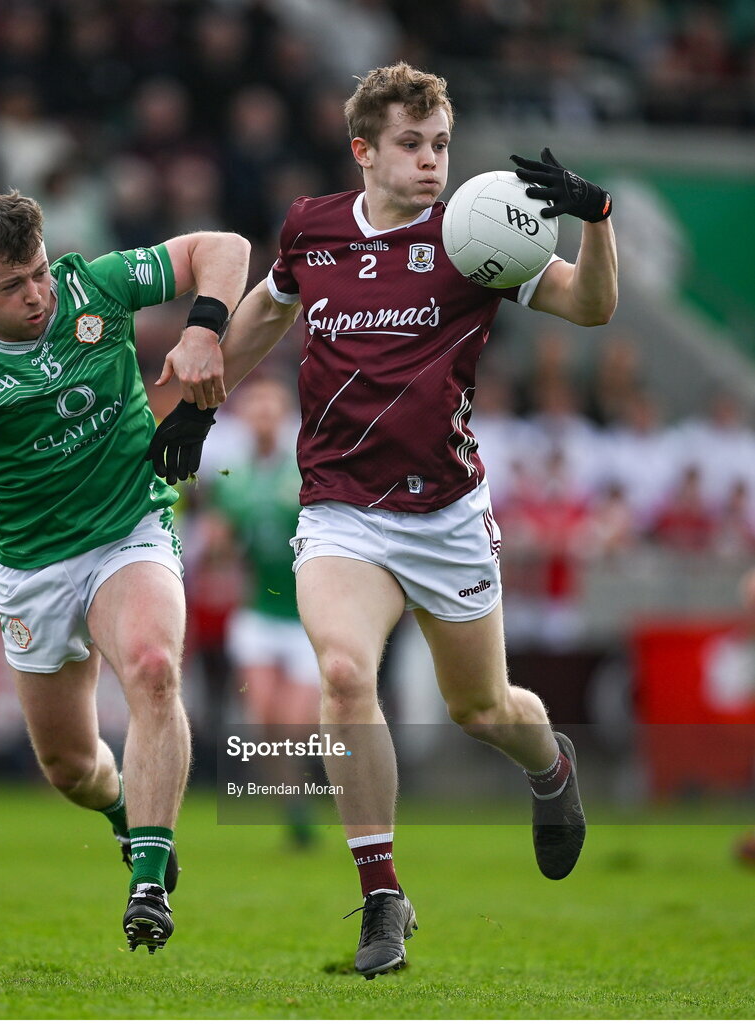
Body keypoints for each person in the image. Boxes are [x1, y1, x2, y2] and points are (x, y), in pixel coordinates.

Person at [149, 62, 617, 978]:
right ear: (363, 150)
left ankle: (549, 765)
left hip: (445, 511)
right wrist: (200, 410)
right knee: (340, 670)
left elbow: (590, 307)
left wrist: (595, 222)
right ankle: (381, 896)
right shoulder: (310, 228)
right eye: (411, 145)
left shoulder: (479, 230)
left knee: (481, 709)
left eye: (441, 144)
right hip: (339, 509)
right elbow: (263, 316)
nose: (432, 162)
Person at [0, 190, 250, 953]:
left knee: (151, 669)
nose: (37, 295)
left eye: (39, 272)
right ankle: (121, 815)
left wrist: (204, 330)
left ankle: (149, 874)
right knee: (71, 767)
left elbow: (227, 246)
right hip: (34, 569)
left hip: (129, 528)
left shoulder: (94, 285)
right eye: (11, 285)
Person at [205, 374, 321, 847]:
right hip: (258, 610)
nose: (263, 417)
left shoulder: (306, 468)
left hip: (307, 617)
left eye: (271, 408)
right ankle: (292, 806)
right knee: (261, 718)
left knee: (292, 725)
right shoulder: (232, 475)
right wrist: (216, 551)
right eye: (254, 409)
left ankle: (297, 805)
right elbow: (221, 539)